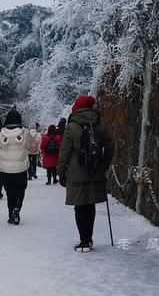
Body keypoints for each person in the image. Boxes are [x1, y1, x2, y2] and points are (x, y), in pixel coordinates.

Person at [57, 95, 113, 252]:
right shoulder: (100, 124)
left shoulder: (72, 127)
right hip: (95, 170)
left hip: (76, 172)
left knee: (80, 207)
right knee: (90, 205)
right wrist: (104, 164)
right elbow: (109, 145)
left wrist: (61, 172)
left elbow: (65, 152)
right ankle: (88, 239)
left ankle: (84, 240)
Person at [0, 107, 34, 224]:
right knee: (20, 190)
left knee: (9, 192)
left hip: (5, 169)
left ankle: (11, 215)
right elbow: (32, 146)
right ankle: (17, 208)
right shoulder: (25, 132)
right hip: (21, 168)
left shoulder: (1, 133)